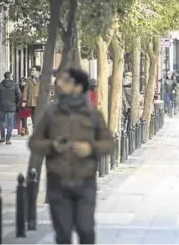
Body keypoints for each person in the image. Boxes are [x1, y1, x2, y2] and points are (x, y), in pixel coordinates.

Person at [28, 68, 114, 244]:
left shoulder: (93, 114)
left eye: (65, 81)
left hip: (85, 182)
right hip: (57, 183)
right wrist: (52, 146)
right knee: (63, 235)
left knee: (86, 230)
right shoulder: (51, 112)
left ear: (77, 87)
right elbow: (34, 143)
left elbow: (109, 144)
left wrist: (90, 148)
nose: (59, 83)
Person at [0, 71, 21, 144]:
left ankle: (2, 137)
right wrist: (16, 102)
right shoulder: (15, 85)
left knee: (2, 121)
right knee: (10, 123)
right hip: (11, 106)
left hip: (2, 106)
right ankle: (8, 139)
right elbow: (19, 95)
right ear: (10, 77)